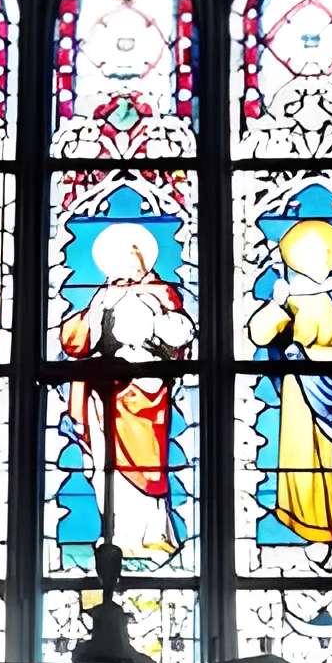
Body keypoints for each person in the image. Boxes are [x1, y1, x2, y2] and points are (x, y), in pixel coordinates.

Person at [245, 217, 332, 557]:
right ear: (293, 259)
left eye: (320, 252)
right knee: (302, 460)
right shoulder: (290, 297)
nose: (314, 260)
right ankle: (313, 533)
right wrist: (276, 304)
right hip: (300, 392)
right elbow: (259, 335)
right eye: (304, 254)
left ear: (331, 255)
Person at [58, 221, 192, 559]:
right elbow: (77, 341)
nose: (126, 266)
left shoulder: (161, 293)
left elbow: (179, 338)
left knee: (145, 463)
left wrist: (152, 328)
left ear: (143, 261)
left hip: (143, 391)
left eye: (132, 259)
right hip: (101, 393)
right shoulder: (102, 295)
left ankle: (151, 535)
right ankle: (116, 534)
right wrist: (87, 318)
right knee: (102, 463)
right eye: (118, 259)